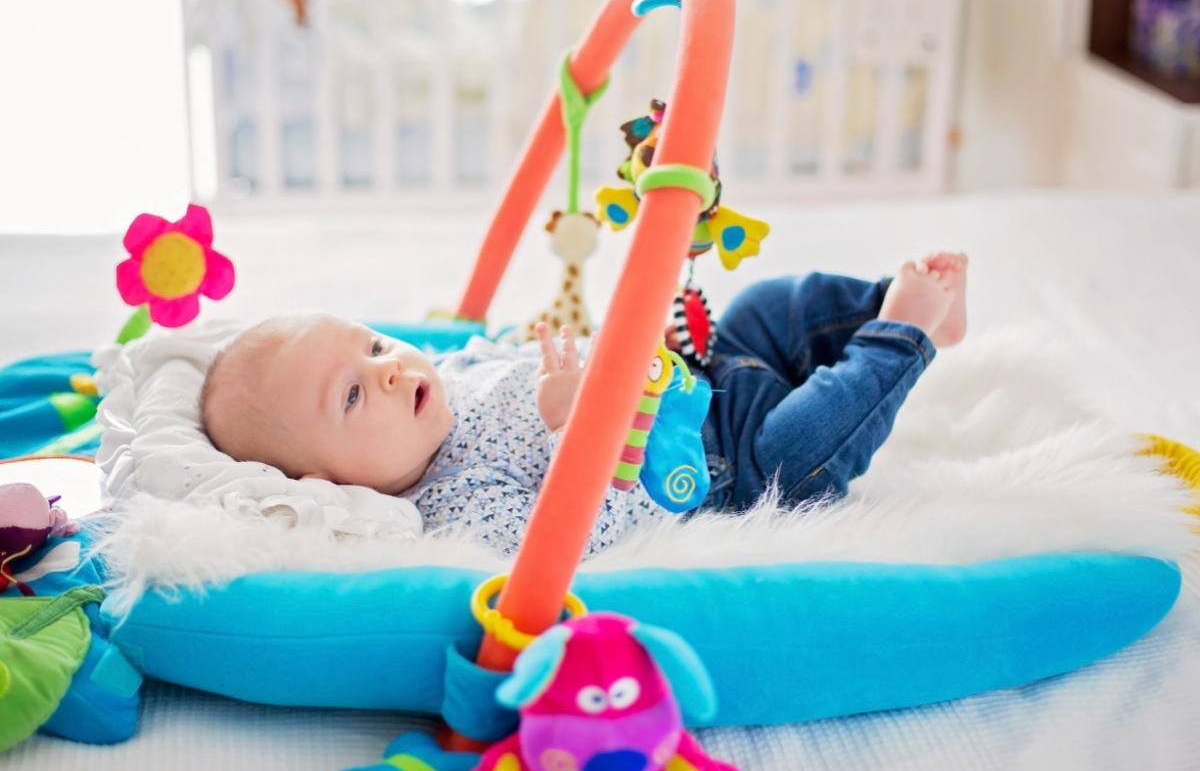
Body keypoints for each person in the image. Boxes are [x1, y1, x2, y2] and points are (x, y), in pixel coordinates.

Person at [200, 253, 967, 555]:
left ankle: (876, 305)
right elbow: (596, 538)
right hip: (727, 464)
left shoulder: (453, 374)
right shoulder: (455, 508)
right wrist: (580, 433)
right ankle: (903, 330)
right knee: (806, 451)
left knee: (769, 304)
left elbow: (518, 354)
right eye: (356, 393)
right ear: (332, 484)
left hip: (699, 372)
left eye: (373, 347)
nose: (393, 371)